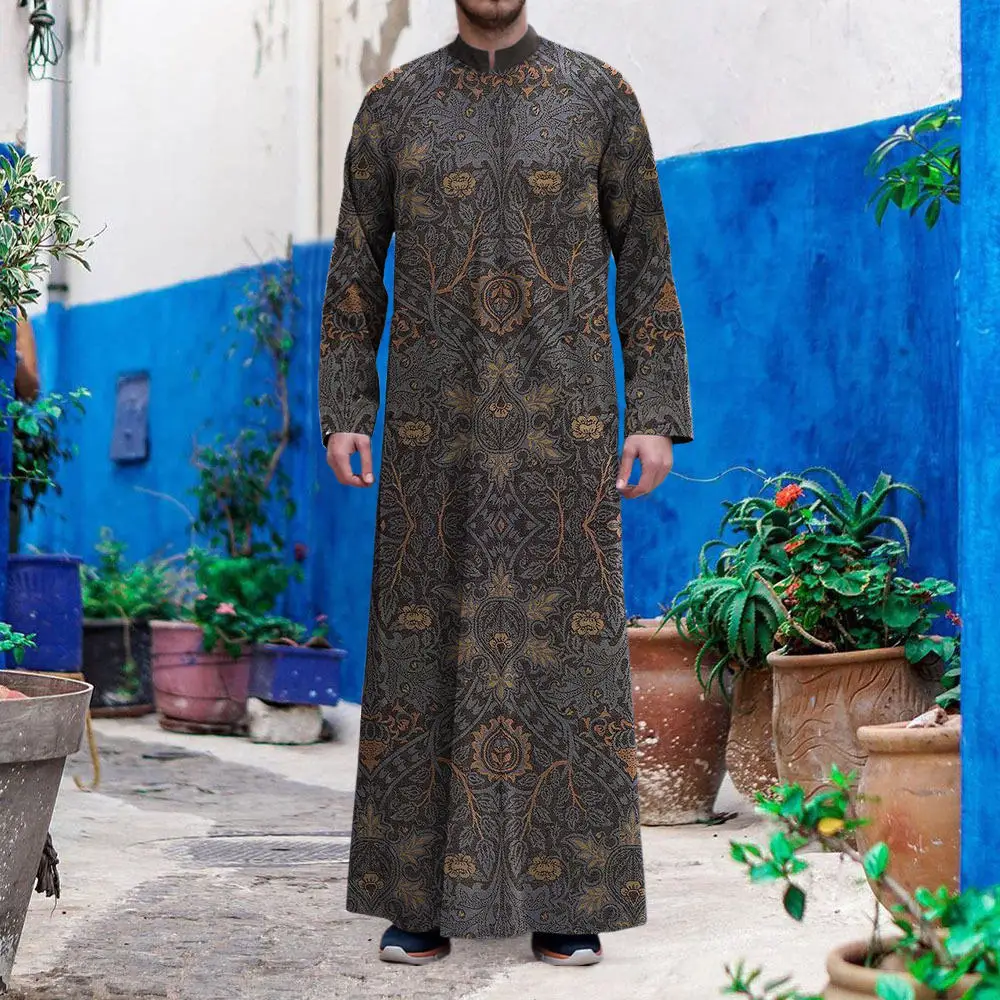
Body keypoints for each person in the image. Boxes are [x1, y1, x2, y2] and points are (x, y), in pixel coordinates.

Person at [320, 0, 693, 968]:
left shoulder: (598, 97)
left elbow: (645, 259)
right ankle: (416, 899)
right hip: (428, 439)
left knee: (564, 658)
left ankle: (569, 901)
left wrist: (654, 408)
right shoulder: (393, 106)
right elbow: (355, 267)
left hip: (564, 435)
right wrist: (346, 403)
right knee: (422, 652)